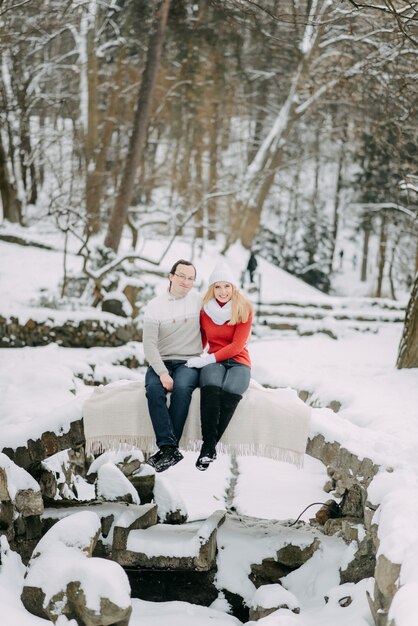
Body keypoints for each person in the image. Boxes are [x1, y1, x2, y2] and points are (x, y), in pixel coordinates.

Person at [186, 260, 253, 470]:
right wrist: (187, 356)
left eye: (227, 286)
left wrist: (207, 359)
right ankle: (209, 448)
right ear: (211, 288)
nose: (222, 291)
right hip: (214, 361)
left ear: (233, 287)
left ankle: (208, 447)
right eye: (217, 286)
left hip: (238, 360)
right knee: (211, 389)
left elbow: (236, 345)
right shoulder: (204, 311)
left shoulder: (244, 309)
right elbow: (202, 341)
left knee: (231, 390)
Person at [143, 259, 202, 472]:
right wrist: (161, 372)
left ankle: (168, 449)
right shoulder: (156, 305)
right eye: (181, 276)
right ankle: (169, 448)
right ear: (171, 276)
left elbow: (225, 308)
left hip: (190, 361)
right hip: (162, 360)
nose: (186, 282)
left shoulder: (199, 301)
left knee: (182, 389)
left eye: (190, 278)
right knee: (154, 390)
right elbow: (149, 344)